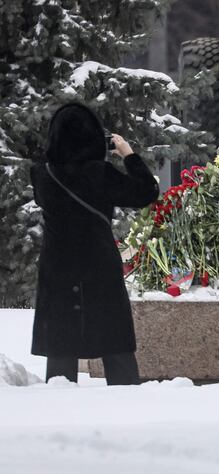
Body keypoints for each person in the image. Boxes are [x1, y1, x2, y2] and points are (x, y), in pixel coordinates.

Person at [31, 103, 159, 384]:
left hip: (58, 267)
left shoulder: (42, 175)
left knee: (61, 349)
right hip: (99, 266)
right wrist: (128, 154)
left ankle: (59, 403)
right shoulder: (101, 174)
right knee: (115, 345)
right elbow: (146, 192)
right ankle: (126, 401)